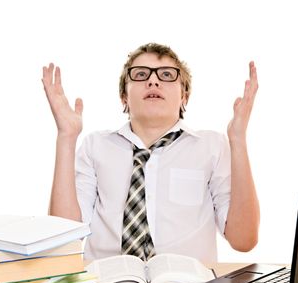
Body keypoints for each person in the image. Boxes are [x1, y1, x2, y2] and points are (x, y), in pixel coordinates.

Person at [41, 43, 259, 262]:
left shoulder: (212, 146)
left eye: (166, 75)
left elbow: (243, 241)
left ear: (184, 97)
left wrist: (238, 139)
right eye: (140, 74)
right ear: (124, 97)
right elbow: (63, 239)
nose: (153, 81)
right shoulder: (95, 147)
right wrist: (66, 138)